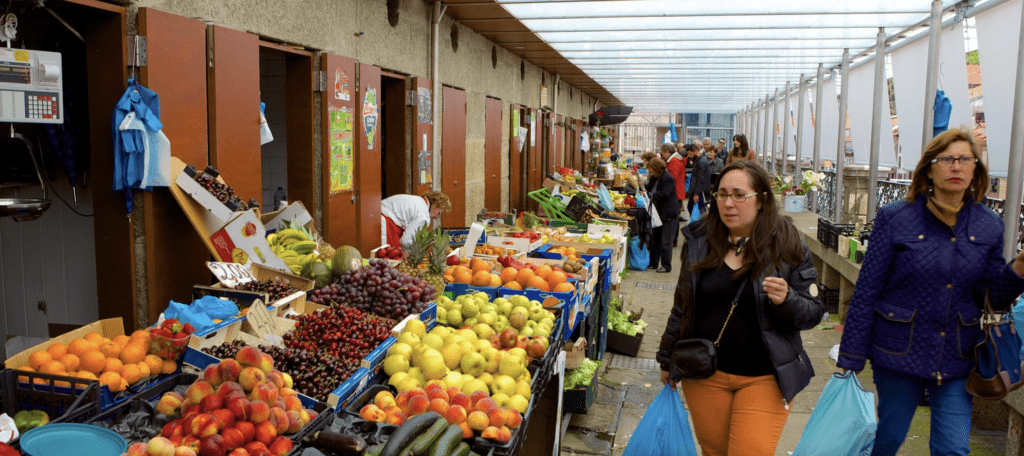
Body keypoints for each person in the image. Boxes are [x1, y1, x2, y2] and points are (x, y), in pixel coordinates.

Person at [836, 129, 1024, 456]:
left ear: (975, 169)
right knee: (889, 438)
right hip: (898, 351)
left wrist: (1018, 270)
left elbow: (989, 298)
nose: (956, 167)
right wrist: (851, 357)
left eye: (965, 159)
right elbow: (867, 290)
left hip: (958, 355)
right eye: (947, 159)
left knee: (953, 448)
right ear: (929, 168)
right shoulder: (896, 218)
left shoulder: (989, 225)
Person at [657, 160, 823, 455]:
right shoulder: (700, 240)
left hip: (765, 377)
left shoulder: (787, 244)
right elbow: (682, 306)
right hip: (704, 373)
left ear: (761, 199)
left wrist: (787, 300)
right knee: (713, 452)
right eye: (722, 194)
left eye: (739, 195)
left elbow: (813, 312)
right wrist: (666, 358)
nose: (728, 203)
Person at [380, 190, 451, 250]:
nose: (437, 218)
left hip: (376, 215)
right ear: (435, 205)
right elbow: (405, 242)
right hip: (385, 225)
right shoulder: (424, 215)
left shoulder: (418, 200)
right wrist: (424, 246)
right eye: (439, 213)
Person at [645, 158, 681, 273]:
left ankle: (666, 265)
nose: (651, 173)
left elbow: (665, 194)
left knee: (666, 241)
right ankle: (653, 263)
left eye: (652, 171)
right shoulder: (655, 177)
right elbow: (649, 188)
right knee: (655, 238)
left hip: (668, 212)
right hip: (658, 212)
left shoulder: (668, 178)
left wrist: (650, 195)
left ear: (658, 169)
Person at [661, 143, 687, 245]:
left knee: (673, 218)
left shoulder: (674, 161)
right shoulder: (675, 160)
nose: (662, 155)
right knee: (675, 218)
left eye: (663, 153)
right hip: (677, 191)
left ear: (667, 152)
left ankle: (673, 240)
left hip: (675, 192)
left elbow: (672, 177)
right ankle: (673, 240)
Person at [689, 143, 711, 218]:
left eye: (690, 154)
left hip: (700, 192)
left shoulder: (701, 162)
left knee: (698, 211)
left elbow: (700, 179)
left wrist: (696, 193)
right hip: (698, 190)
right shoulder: (698, 160)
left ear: (695, 151)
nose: (690, 156)